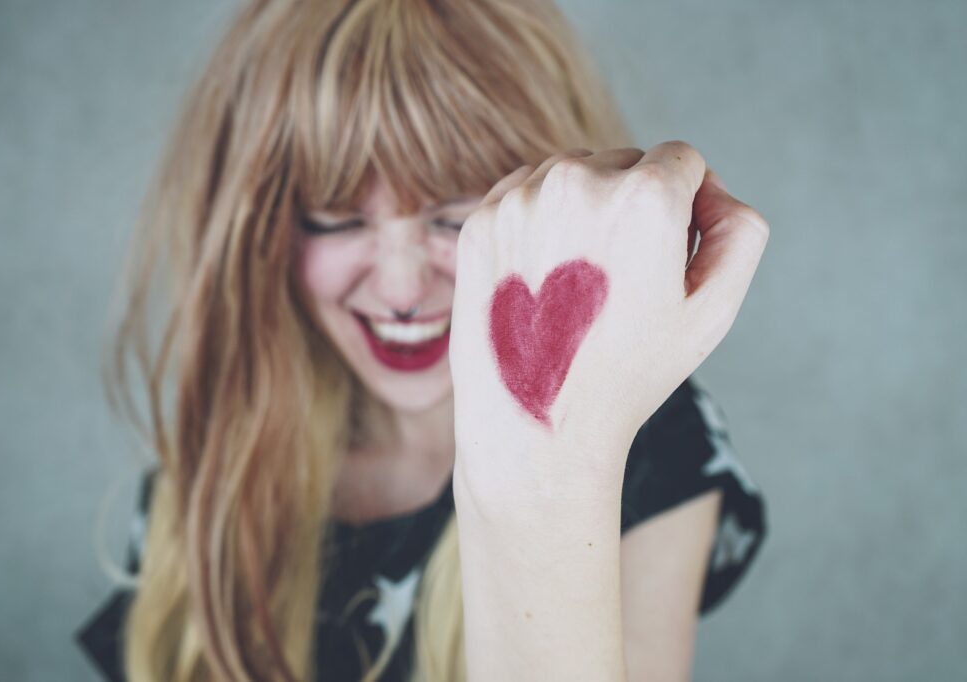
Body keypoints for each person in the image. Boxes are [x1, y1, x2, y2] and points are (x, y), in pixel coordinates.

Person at [76, 0, 769, 680]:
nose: (403, 289)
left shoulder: (655, 444)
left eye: (455, 215)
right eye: (338, 218)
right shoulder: (213, 468)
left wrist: (539, 457)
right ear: (263, 231)